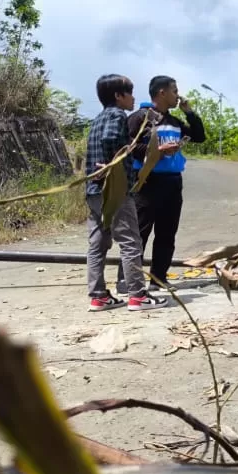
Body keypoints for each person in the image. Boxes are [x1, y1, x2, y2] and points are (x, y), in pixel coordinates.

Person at [84, 74, 168, 312]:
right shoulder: (116, 115)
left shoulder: (98, 119)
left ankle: (98, 296)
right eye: (129, 93)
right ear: (118, 96)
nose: (133, 98)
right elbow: (112, 139)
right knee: (131, 241)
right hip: (115, 190)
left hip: (94, 191)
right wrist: (115, 163)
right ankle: (137, 295)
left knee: (98, 243)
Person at [116, 75, 206, 293]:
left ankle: (158, 278)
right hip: (147, 181)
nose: (178, 96)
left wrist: (189, 112)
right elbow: (126, 147)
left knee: (167, 233)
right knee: (139, 232)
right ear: (161, 93)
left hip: (172, 183)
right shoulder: (140, 118)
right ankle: (127, 281)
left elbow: (199, 136)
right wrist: (155, 152)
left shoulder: (175, 122)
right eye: (174, 91)